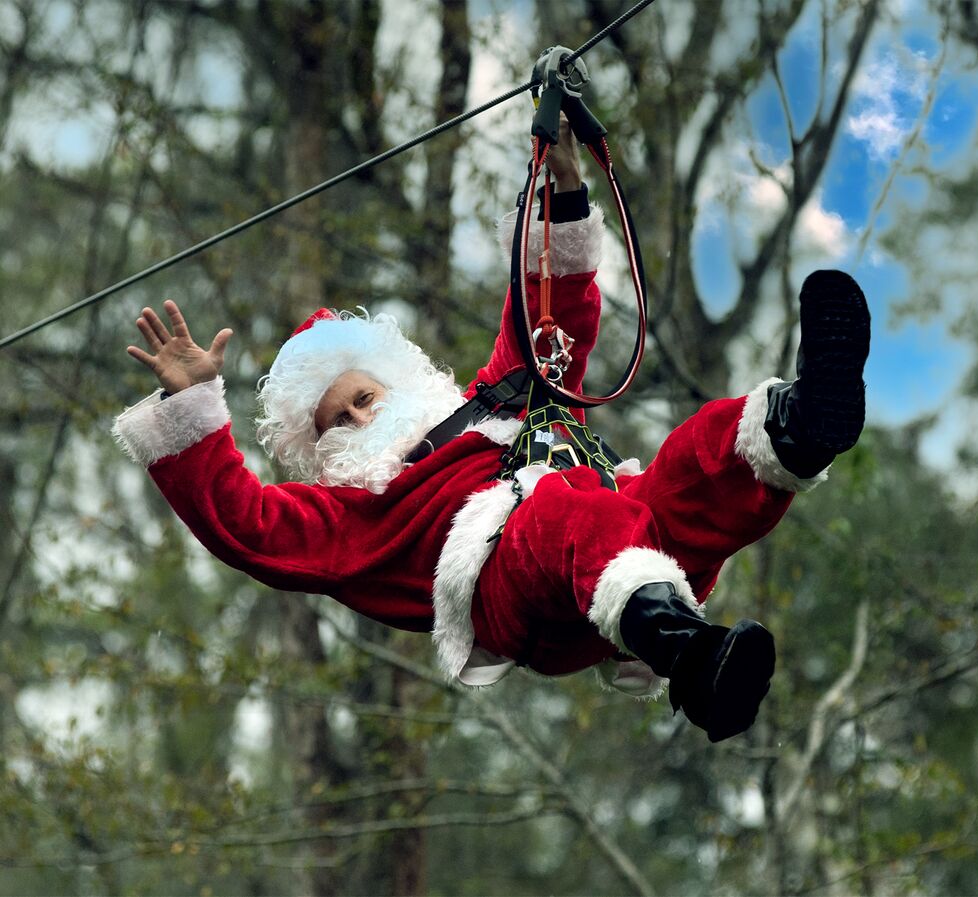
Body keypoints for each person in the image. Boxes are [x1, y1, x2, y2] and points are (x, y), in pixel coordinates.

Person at [113, 130, 870, 742]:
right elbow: (249, 526)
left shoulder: (495, 397)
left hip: (618, 531)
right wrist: (193, 407)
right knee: (560, 518)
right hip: (520, 590)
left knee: (692, 460)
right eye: (334, 424)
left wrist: (563, 188)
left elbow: (549, 320)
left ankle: (804, 423)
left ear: (398, 380)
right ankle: (691, 657)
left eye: (362, 398)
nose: (357, 420)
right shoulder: (357, 521)